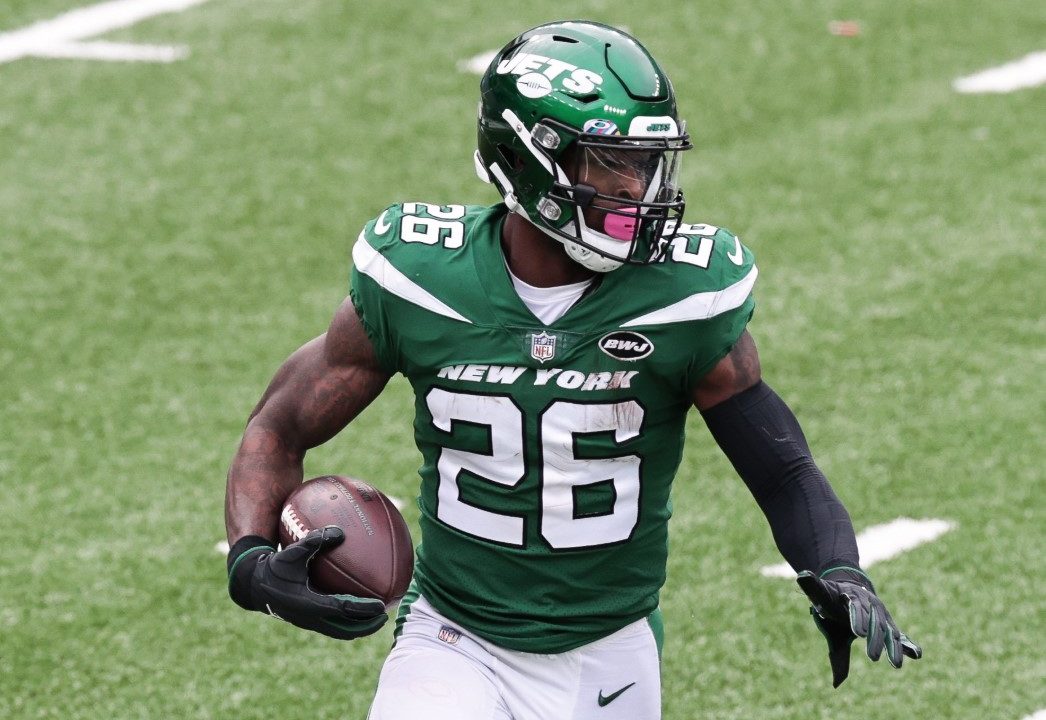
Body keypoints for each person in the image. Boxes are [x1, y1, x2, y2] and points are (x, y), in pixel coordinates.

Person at [224, 20, 922, 720]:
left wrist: (835, 566)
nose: (638, 191)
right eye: (610, 163)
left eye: (647, 165)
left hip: (610, 651)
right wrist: (251, 564)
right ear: (528, 161)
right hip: (454, 638)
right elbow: (278, 429)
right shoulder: (420, 280)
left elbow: (782, 468)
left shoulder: (683, 297)